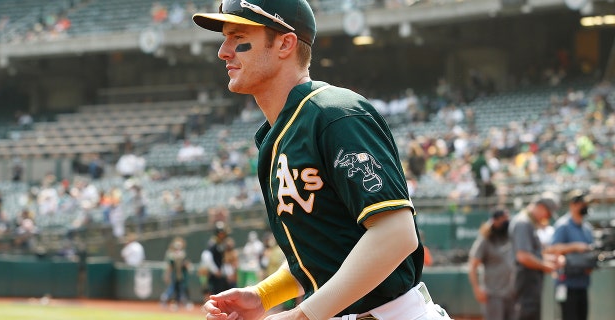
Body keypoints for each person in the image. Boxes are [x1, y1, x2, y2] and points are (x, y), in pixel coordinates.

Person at [192, 1, 451, 319]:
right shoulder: (278, 134)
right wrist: (263, 295)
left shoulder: (334, 112)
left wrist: (301, 316)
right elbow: (325, 250)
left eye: (238, 36)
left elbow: (396, 234)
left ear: (285, 43)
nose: (223, 50)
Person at [509, 194, 560, 320]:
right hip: (526, 279)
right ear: (541, 207)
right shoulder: (523, 223)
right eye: (547, 214)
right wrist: (546, 266)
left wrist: (549, 261)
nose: (546, 218)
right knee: (527, 314)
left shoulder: (528, 223)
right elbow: (523, 257)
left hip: (530, 280)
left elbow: (532, 254)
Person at [547, 190, 595, 320]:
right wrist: (575, 246)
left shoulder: (587, 228)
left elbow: (592, 252)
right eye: (582, 204)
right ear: (573, 205)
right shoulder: (563, 225)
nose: (585, 207)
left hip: (583, 282)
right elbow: (552, 249)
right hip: (567, 283)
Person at [467, 209, 515, 320]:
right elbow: (473, 265)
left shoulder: (510, 236)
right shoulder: (486, 239)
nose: (506, 222)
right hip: (493, 295)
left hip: (511, 293)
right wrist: (477, 289)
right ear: (495, 221)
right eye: (504, 220)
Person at [161, 236, 194, 311]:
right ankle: (174, 302)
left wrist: (189, 268)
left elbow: (186, 263)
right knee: (174, 289)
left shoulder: (183, 254)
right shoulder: (171, 255)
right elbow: (170, 266)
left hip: (182, 275)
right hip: (175, 275)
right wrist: (167, 274)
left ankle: (185, 303)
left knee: (183, 288)